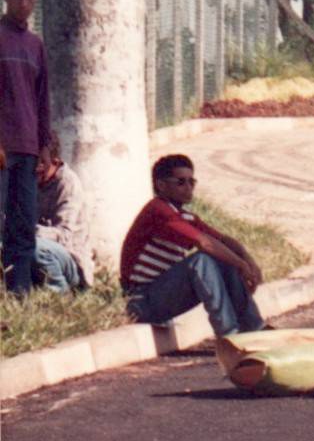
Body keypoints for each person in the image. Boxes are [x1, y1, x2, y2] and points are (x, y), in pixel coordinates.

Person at [120, 154, 265, 336]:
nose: (188, 188)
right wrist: (241, 265)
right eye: (181, 182)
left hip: (161, 294)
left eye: (191, 182)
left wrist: (248, 261)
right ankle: (229, 334)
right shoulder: (158, 210)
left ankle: (254, 327)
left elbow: (222, 240)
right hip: (141, 301)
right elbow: (204, 243)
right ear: (161, 185)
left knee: (224, 258)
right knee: (202, 261)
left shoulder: (184, 216)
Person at [0, 0, 51, 294]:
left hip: (29, 150)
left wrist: (44, 147)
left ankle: (20, 294)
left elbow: (43, 99)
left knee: (23, 226)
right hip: (2, 150)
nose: (23, 3)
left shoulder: (36, 45)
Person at [33, 135, 89, 292]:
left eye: (41, 162)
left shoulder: (68, 183)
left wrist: (27, 231)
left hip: (70, 260)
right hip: (38, 253)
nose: (35, 167)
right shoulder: (28, 182)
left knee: (36, 248)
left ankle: (59, 297)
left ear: (55, 161)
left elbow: (64, 235)